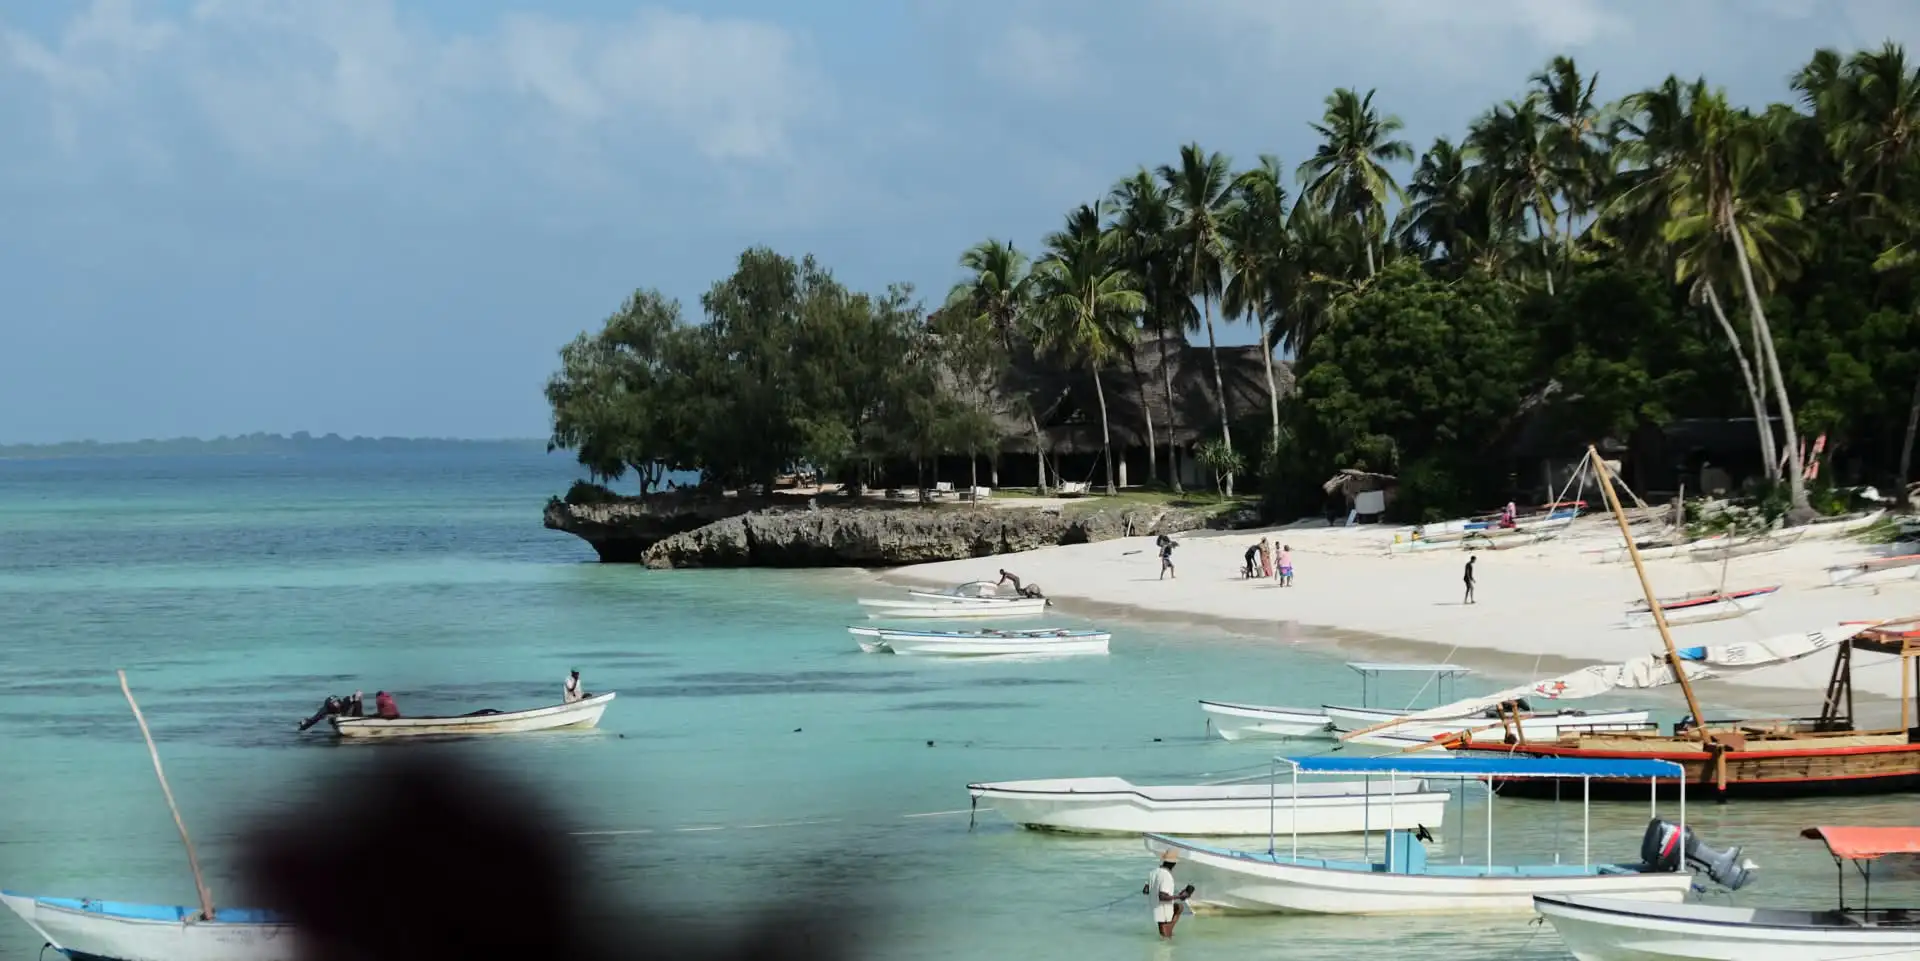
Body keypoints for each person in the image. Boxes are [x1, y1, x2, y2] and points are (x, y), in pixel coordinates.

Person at [1143, 849, 1194, 939]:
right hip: (1163, 910)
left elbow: (1145, 891)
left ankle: (1168, 932)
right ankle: (1168, 933)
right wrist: (1180, 896)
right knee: (1166, 937)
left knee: (1179, 907)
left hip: (1156, 909)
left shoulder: (1153, 872)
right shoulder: (1166, 875)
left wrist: (1154, 887)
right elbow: (1162, 896)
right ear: (1174, 863)